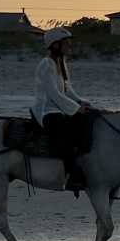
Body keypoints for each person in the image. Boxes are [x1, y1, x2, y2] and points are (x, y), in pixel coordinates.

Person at [33, 27, 94, 193]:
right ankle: (71, 175)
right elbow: (53, 94)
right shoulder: (46, 65)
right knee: (66, 135)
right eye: (66, 43)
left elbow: (67, 90)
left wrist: (81, 102)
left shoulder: (61, 63)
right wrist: (76, 109)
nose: (69, 46)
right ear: (55, 45)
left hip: (61, 108)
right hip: (47, 111)